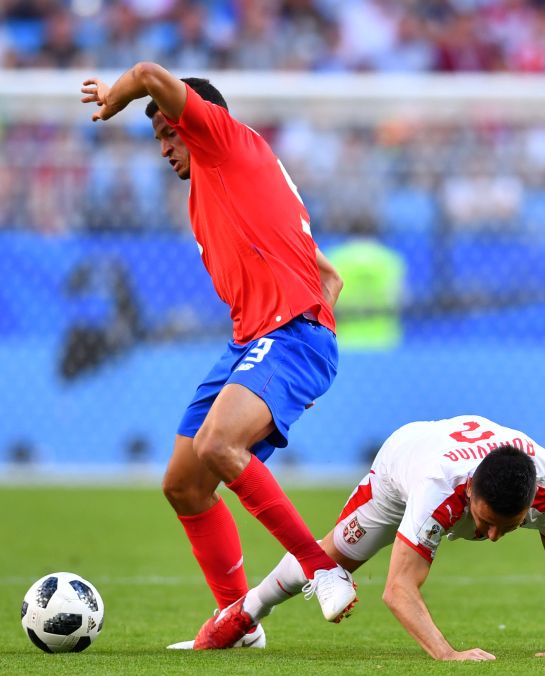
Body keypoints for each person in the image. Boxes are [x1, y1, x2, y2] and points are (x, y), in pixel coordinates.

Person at [79, 64, 357, 642]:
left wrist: (115, 97)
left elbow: (151, 73)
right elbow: (329, 276)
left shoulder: (227, 141)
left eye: (168, 134)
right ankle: (238, 620)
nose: (163, 150)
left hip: (289, 334)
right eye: (158, 139)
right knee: (183, 483)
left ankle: (322, 568)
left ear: (197, 122)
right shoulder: (222, 183)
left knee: (219, 444)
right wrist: (296, 380)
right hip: (257, 343)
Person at [176, 415, 545, 657]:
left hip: (508, 451)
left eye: (508, 524)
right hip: (404, 462)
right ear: (470, 495)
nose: (493, 537)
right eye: (487, 522)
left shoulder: (543, 484)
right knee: (334, 556)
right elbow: (399, 590)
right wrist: (447, 656)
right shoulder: (434, 491)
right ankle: (244, 612)